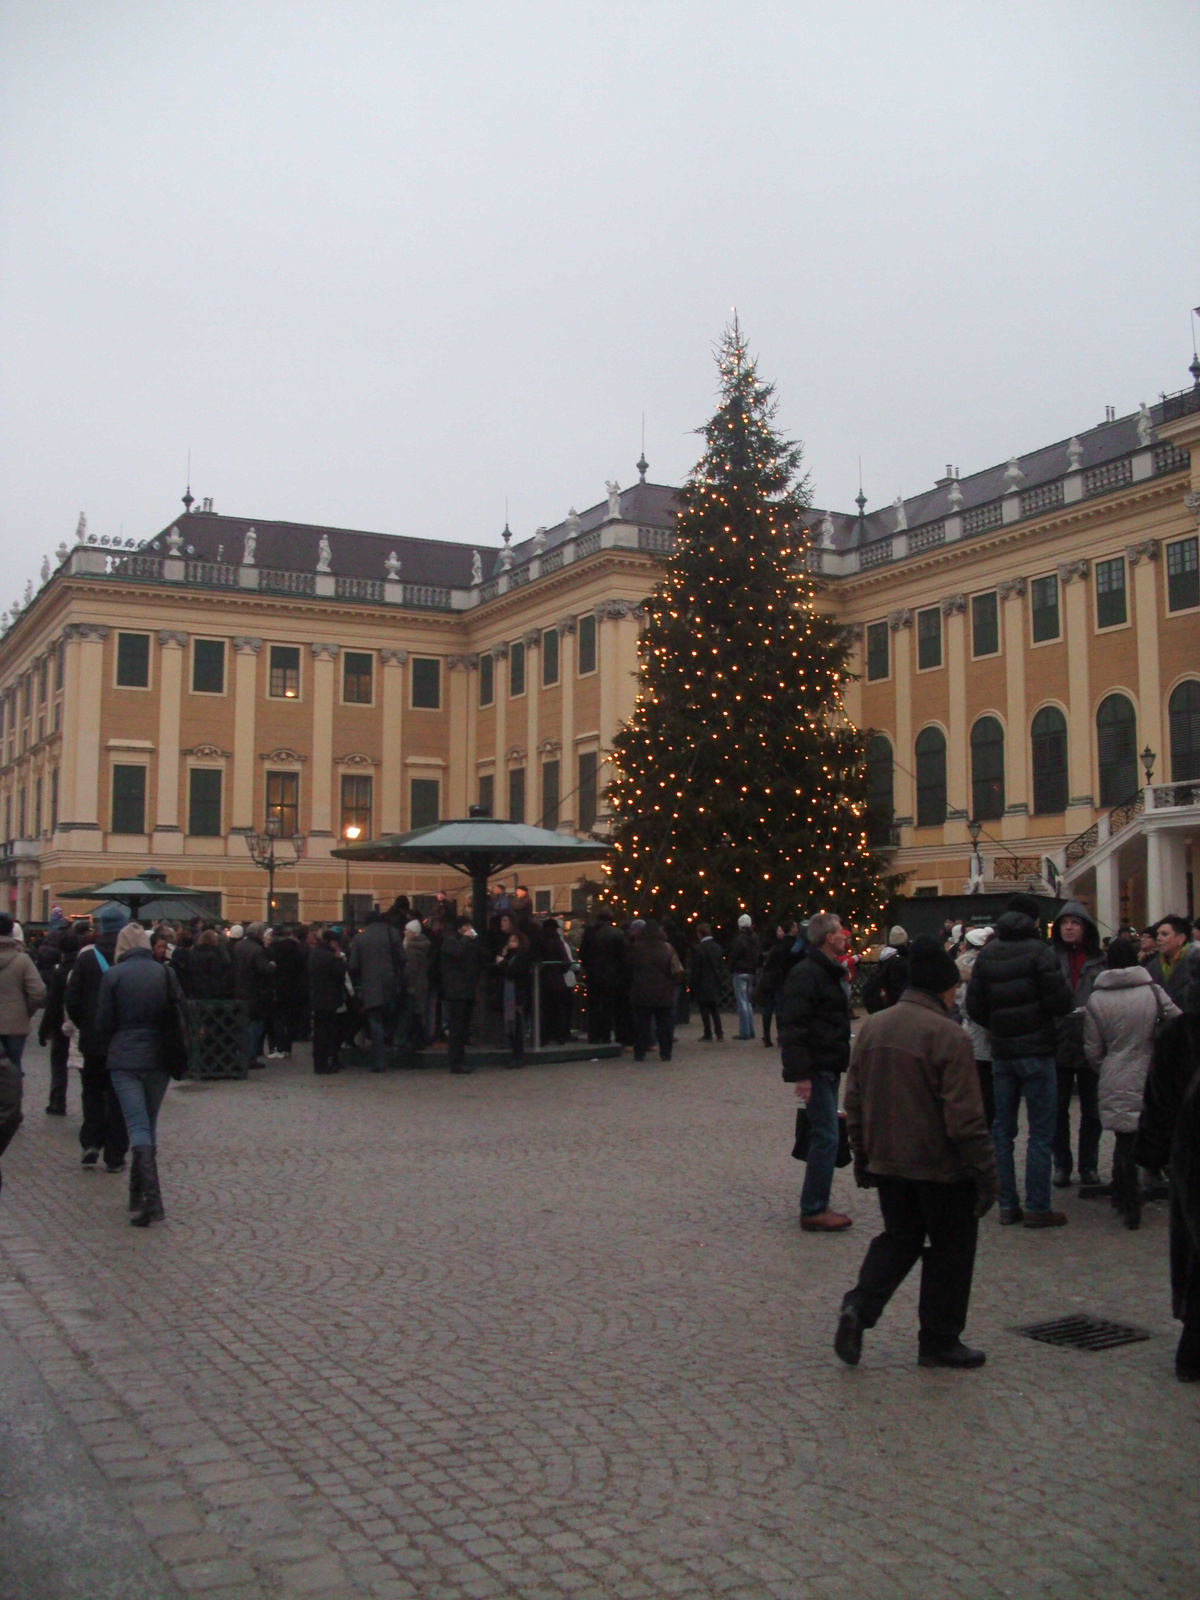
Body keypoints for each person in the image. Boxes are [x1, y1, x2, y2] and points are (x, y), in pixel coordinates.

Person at [836, 936, 998, 1369]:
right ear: (944, 989)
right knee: (952, 1247)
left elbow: (853, 1099)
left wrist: (862, 1155)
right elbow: (965, 1117)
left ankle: (859, 1307)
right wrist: (986, 1171)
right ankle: (940, 1339)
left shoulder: (873, 1027)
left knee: (899, 1238)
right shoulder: (949, 1036)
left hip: (888, 1159)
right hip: (941, 1166)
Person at [965, 892, 1074, 1228]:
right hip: (1037, 1051)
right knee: (1041, 1132)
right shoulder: (1040, 951)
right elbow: (1060, 1003)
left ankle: (1008, 1204)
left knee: (1002, 1130)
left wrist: (999, 1025)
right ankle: (1038, 1205)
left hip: (1002, 1052)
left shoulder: (987, 954)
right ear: (1035, 921)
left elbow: (974, 1007)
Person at [1084, 936, 1180, 1228]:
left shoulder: (1096, 998)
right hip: (1149, 1070)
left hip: (1114, 1070)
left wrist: (1108, 1067)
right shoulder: (1152, 991)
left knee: (1123, 1140)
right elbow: (1178, 1020)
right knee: (1147, 1132)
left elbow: (1092, 1048)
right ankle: (1143, 1188)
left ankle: (1122, 1193)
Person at [1136, 946, 1200, 1380]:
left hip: (1191, 1151)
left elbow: (1159, 1101)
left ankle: (1192, 1349)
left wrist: (1152, 1155)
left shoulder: (1178, 1033)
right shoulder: (1179, 1034)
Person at [95, 921, 186, 1227]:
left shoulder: (113, 975)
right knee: (148, 1124)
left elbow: (103, 1023)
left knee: (137, 1127)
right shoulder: (165, 972)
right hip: (159, 1057)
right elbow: (179, 1012)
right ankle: (136, 1194)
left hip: (125, 1058)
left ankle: (152, 1200)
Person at [778, 911, 854, 1232]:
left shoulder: (827, 971)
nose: (846, 936)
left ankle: (815, 1203)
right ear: (829, 937)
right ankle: (813, 1208)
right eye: (841, 932)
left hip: (828, 1062)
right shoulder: (808, 974)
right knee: (826, 1137)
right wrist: (802, 1074)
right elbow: (794, 1026)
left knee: (826, 1133)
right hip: (818, 1065)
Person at [65, 903, 130, 1173]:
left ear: (101, 928)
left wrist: (86, 1025)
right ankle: (115, 1155)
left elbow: (72, 998)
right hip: (121, 1041)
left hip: (92, 1041)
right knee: (118, 1098)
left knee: (91, 1093)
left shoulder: (86, 959)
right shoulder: (129, 958)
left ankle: (90, 1143)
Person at [1050, 901, 1106, 1189]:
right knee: (1057, 1110)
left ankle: (1089, 1166)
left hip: (1091, 1041)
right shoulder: (1049, 958)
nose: (1069, 927)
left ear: (1086, 928)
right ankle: (1061, 1164)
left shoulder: (1099, 960)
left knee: (1092, 1110)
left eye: (1075, 923)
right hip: (1058, 1041)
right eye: (1064, 923)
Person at [348, 911, 406, 1073]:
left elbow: (353, 966)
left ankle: (379, 1061)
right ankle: (395, 1048)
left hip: (370, 985)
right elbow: (403, 958)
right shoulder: (392, 933)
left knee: (375, 1021)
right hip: (391, 984)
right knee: (393, 1016)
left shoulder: (360, 938)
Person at [956, 927, 995, 1129]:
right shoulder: (988, 967)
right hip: (985, 1040)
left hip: (977, 1039)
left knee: (982, 1090)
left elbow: (964, 1007)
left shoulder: (969, 971)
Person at [38, 930, 80, 1116]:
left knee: (58, 1064)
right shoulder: (81, 969)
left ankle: (57, 1101)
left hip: (59, 1025)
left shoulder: (60, 972)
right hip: (79, 1024)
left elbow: (52, 1003)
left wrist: (43, 1030)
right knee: (82, 1064)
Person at [629, 919, 681, 1062]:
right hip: (663, 992)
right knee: (665, 1024)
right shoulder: (668, 948)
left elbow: (628, 968)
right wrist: (672, 983)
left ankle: (639, 1053)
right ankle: (666, 1053)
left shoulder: (636, 948)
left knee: (641, 1024)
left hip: (641, 991)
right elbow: (677, 970)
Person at [0, 911, 46, 1071]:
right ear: (11, 931)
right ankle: (13, 1095)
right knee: (13, 1067)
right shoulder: (22, 960)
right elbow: (38, 991)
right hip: (15, 1023)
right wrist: (27, 1009)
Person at [441, 915, 482, 1074]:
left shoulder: (468, 943)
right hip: (456, 991)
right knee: (457, 1027)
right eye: (466, 926)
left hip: (467, 990)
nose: (468, 929)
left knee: (464, 1027)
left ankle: (461, 1058)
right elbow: (456, 953)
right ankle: (455, 1061)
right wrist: (466, 940)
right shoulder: (450, 941)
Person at [580, 910, 629, 1045]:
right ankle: (606, 1035)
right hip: (611, 976)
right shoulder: (617, 933)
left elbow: (583, 954)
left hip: (593, 975)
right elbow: (623, 957)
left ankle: (594, 1035)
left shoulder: (589, 933)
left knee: (593, 1006)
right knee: (608, 1006)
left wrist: (588, 967)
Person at [234, 922, 275, 1071]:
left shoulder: (239, 946)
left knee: (241, 1026)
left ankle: (240, 1055)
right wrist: (271, 966)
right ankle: (249, 1056)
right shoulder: (257, 950)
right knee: (255, 1025)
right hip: (254, 993)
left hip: (239, 991)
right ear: (259, 934)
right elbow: (263, 970)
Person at [307, 930, 347, 1074]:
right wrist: (339, 959)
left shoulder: (315, 953)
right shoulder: (330, 957)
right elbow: (340, 974)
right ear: (333, 942)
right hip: (329, 998)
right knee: (326, 1032)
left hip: (317, 997)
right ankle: (323, 1064)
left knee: (319, 1032)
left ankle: (319, 1062)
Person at [268, 924, 309, 1055]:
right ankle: (288, 1046)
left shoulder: (273, 948)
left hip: (277, 987)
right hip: (294, 988)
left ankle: (278, 1046)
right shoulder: (297, 948)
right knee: (290, 1017)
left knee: (277, 1018)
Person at [759, 921, 799, 1048]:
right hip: (777, 979)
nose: (781, 932)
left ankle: (767, 1035)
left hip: (768, 979)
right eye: (779, 930)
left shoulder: (769, 947)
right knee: (778, 1008)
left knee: (768, 1009)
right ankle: (779, 1036)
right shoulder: (781, 946)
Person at [495, 928, 532, 1065]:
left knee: (516, 1025)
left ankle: (518, 1056)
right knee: (511, 1025)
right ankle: (515, 1054)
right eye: (510, 940)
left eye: (514, 941)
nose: (511, 943)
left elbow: (512, 972)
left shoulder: (522, 957)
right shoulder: (510, 956)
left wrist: (502, 963)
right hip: (508, 994)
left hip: (517, 994)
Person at [690, 925, 727, 1042]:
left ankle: (708, 1033)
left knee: (704, 1009)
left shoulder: (698, 949)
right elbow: (721, 967)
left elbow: (696, 969)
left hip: (702, 982)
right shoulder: (718, 948)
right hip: (714, 981)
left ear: (700, 934)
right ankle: (719, 1033)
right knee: (715, 1009)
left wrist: (693, 984)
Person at [1146, 916, 1194, 1008]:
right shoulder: (1152, 967)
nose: (1158, 938)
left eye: (1164, 934)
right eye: (1157, 935)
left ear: (1181, 939)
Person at [728, 914, 762, 1040]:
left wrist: (731, 967)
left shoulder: (739, 939)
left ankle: (745, 1032)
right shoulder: (755, 938)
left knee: (742, 1002)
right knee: (747, 1001)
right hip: (751, 971)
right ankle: (750, 1029)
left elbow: (734, 955)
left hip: (740, 971)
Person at [403, 919, 431, 1050]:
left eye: (407, 930)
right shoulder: (423, 946)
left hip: (414, 985)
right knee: (419, 1013)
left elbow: (410, 969)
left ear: (413, 933)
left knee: (413, 1013)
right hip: (422, 983)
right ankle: (422, 1040)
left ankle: (417, 1041)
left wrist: (405, 982)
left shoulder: (411, 949)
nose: (404, 932)